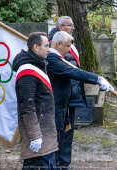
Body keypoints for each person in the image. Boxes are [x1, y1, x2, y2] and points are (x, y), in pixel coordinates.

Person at [47, 31, 113, 169]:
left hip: (62, 106)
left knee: (60, 138)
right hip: (55, 107)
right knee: (54, 141)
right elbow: (73, 72)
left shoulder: (57, 57)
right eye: (67, 46)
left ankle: (58, 165)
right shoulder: (52, 59)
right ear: (58, 44)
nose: (70, 49)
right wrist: (97, 79)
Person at [13, 32, 58, 170]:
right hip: (39, 136)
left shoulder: (38, 65)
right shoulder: (27, 72)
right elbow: (27, 107)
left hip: (46, 135)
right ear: (35, 47)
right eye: (46, 46)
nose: (48, 49)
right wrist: (35, 136)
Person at [48, 16, 87, 168]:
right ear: (60, 27)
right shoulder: (54, 44)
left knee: (68, 131)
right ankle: (56, 162)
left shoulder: (70, 42)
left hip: (72, 94)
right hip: (61, 96)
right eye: (70, 25)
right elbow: (70, 71)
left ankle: (64, 163)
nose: (73, 27)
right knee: (59, 131)